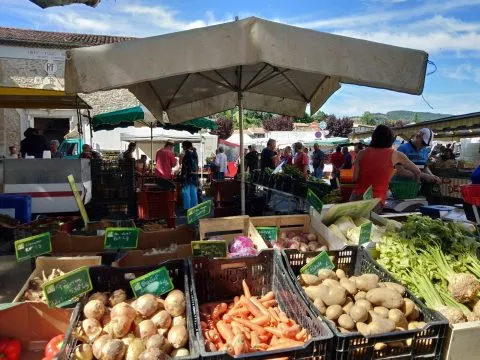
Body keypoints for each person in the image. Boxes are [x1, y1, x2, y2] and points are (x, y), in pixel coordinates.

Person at [351, 125, 421, 210]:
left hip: (355, 199)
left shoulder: (361, 153)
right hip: (374, 201)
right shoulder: (395, 155)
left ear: (374, 137)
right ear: (391, 139)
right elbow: (417, 172)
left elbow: (355, 178)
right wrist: (414, 187)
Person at [180, 141, 199, 211]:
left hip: (187, 176)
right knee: (193, 192)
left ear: (185, 146)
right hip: (194, 176)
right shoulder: (194, 153)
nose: (182, 147)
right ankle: (195, 207)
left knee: (186, 192)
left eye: (182, 146)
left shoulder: (187, 154)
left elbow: (186, 166)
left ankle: (187, 208)